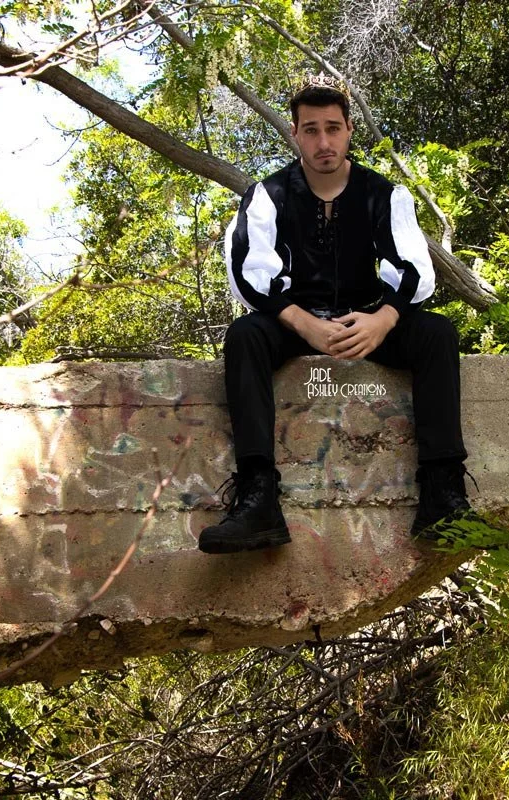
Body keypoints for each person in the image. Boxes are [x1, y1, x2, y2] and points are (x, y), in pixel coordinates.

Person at [198, 78, 475, 554]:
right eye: (310, 130)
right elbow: (248, 273)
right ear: (294, 133)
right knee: (245, 336)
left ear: (349, 130)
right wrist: (303, 322)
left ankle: (442, 499)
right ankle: (258, 498)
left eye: (332, 128)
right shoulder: (267, 195)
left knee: (436, 333)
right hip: (296, 325)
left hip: (367, 323)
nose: (323, 142)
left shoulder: (384, 195)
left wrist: (383, 319)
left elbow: (415, 270)